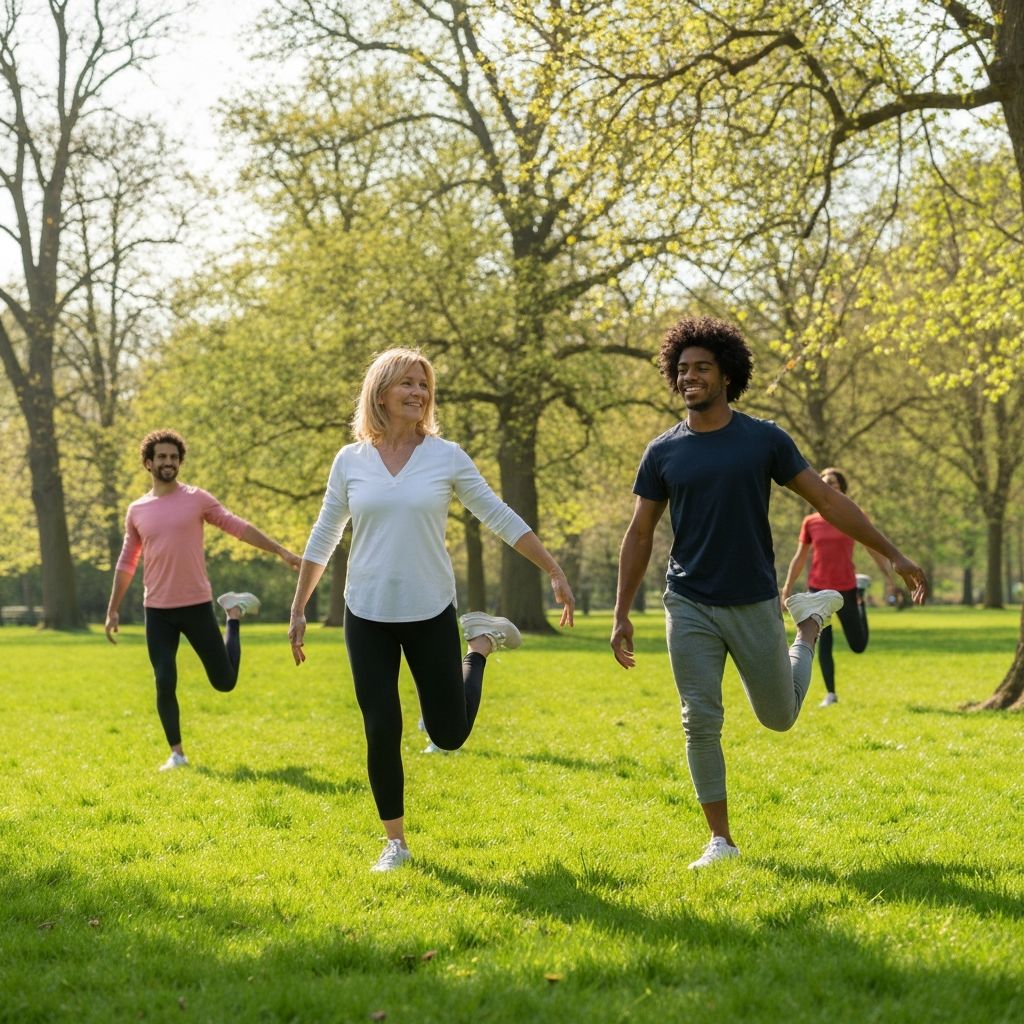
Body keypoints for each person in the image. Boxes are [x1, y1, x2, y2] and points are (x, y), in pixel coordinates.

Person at [610, 316, 927, 870]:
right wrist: (621, 613)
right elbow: (639, 533)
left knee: (779, 716)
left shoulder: (764, 440)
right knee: (698, 719)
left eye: (702, 368)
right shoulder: (662, 452)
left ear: (727, 375)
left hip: (753, 599)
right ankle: (721, 841)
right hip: (687, 601)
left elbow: (828, 504)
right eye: (682, 369)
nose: (690, 378)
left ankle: (807, 626)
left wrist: (892, 553)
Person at [288, 348, 575, 873]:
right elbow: (325, 532)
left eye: (424, 384)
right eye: (407, 384)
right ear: (380, 393)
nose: (419, 393)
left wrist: (552, 568)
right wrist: (300, 605)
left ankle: (480, 644)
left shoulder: (446, 456)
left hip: (429, 609)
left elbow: (496, 514)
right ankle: (394, 843)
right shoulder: (350, 461)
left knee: (448, 734)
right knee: (381, 725)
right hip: (367, 610)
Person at [105, 429, 301, 771]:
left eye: (173, 457)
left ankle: (233, 614)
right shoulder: (137, 510)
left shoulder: (197, 499)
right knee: (164, 678)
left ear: (179, 462)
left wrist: (280, 551)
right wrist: (112, 610)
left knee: (224, 682)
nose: (168, 462)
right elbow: (127, 562)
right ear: (148, 463)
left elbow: (237, 526)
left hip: (195, 605)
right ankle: (177, 754)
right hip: (158, 611)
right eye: (161, 457)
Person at [781, 467, 897, 706]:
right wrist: (786, 588)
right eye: (823, 483)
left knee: (858, 645)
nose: (827, 487)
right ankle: (831, 694)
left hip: (846, 587)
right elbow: (800, 556)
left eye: (832, 483)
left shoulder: (854, 515)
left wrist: (890, 577)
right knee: (823, 641)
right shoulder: (810, 522)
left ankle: (861, 597)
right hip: (818, 588)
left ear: (842, 488)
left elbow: (872, 547)